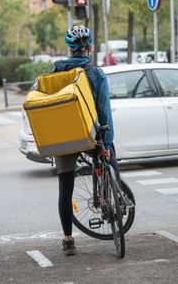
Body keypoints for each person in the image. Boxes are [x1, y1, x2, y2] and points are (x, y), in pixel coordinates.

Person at [53, 26, 127, 256]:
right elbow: (104, 112)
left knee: (65, 187)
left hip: (65, 137)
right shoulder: (96, 74)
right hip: (92, 135)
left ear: (70, 49)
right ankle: (116, 196)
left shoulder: (55, 72)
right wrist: (106, 144)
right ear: (90, 48)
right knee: (109, 157)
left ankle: (68, 240)